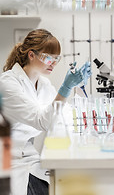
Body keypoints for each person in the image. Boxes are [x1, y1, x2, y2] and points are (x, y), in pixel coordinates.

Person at [0, 29, 91, 195]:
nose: (53, 63)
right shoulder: (8, 83)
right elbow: (41, 121)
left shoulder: (43, 84)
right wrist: (65, 88)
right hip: (8, 159)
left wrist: (77, 88)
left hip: (29, 156)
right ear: (31, 55)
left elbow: (61, 113)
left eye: (56, 58)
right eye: (48, 57)